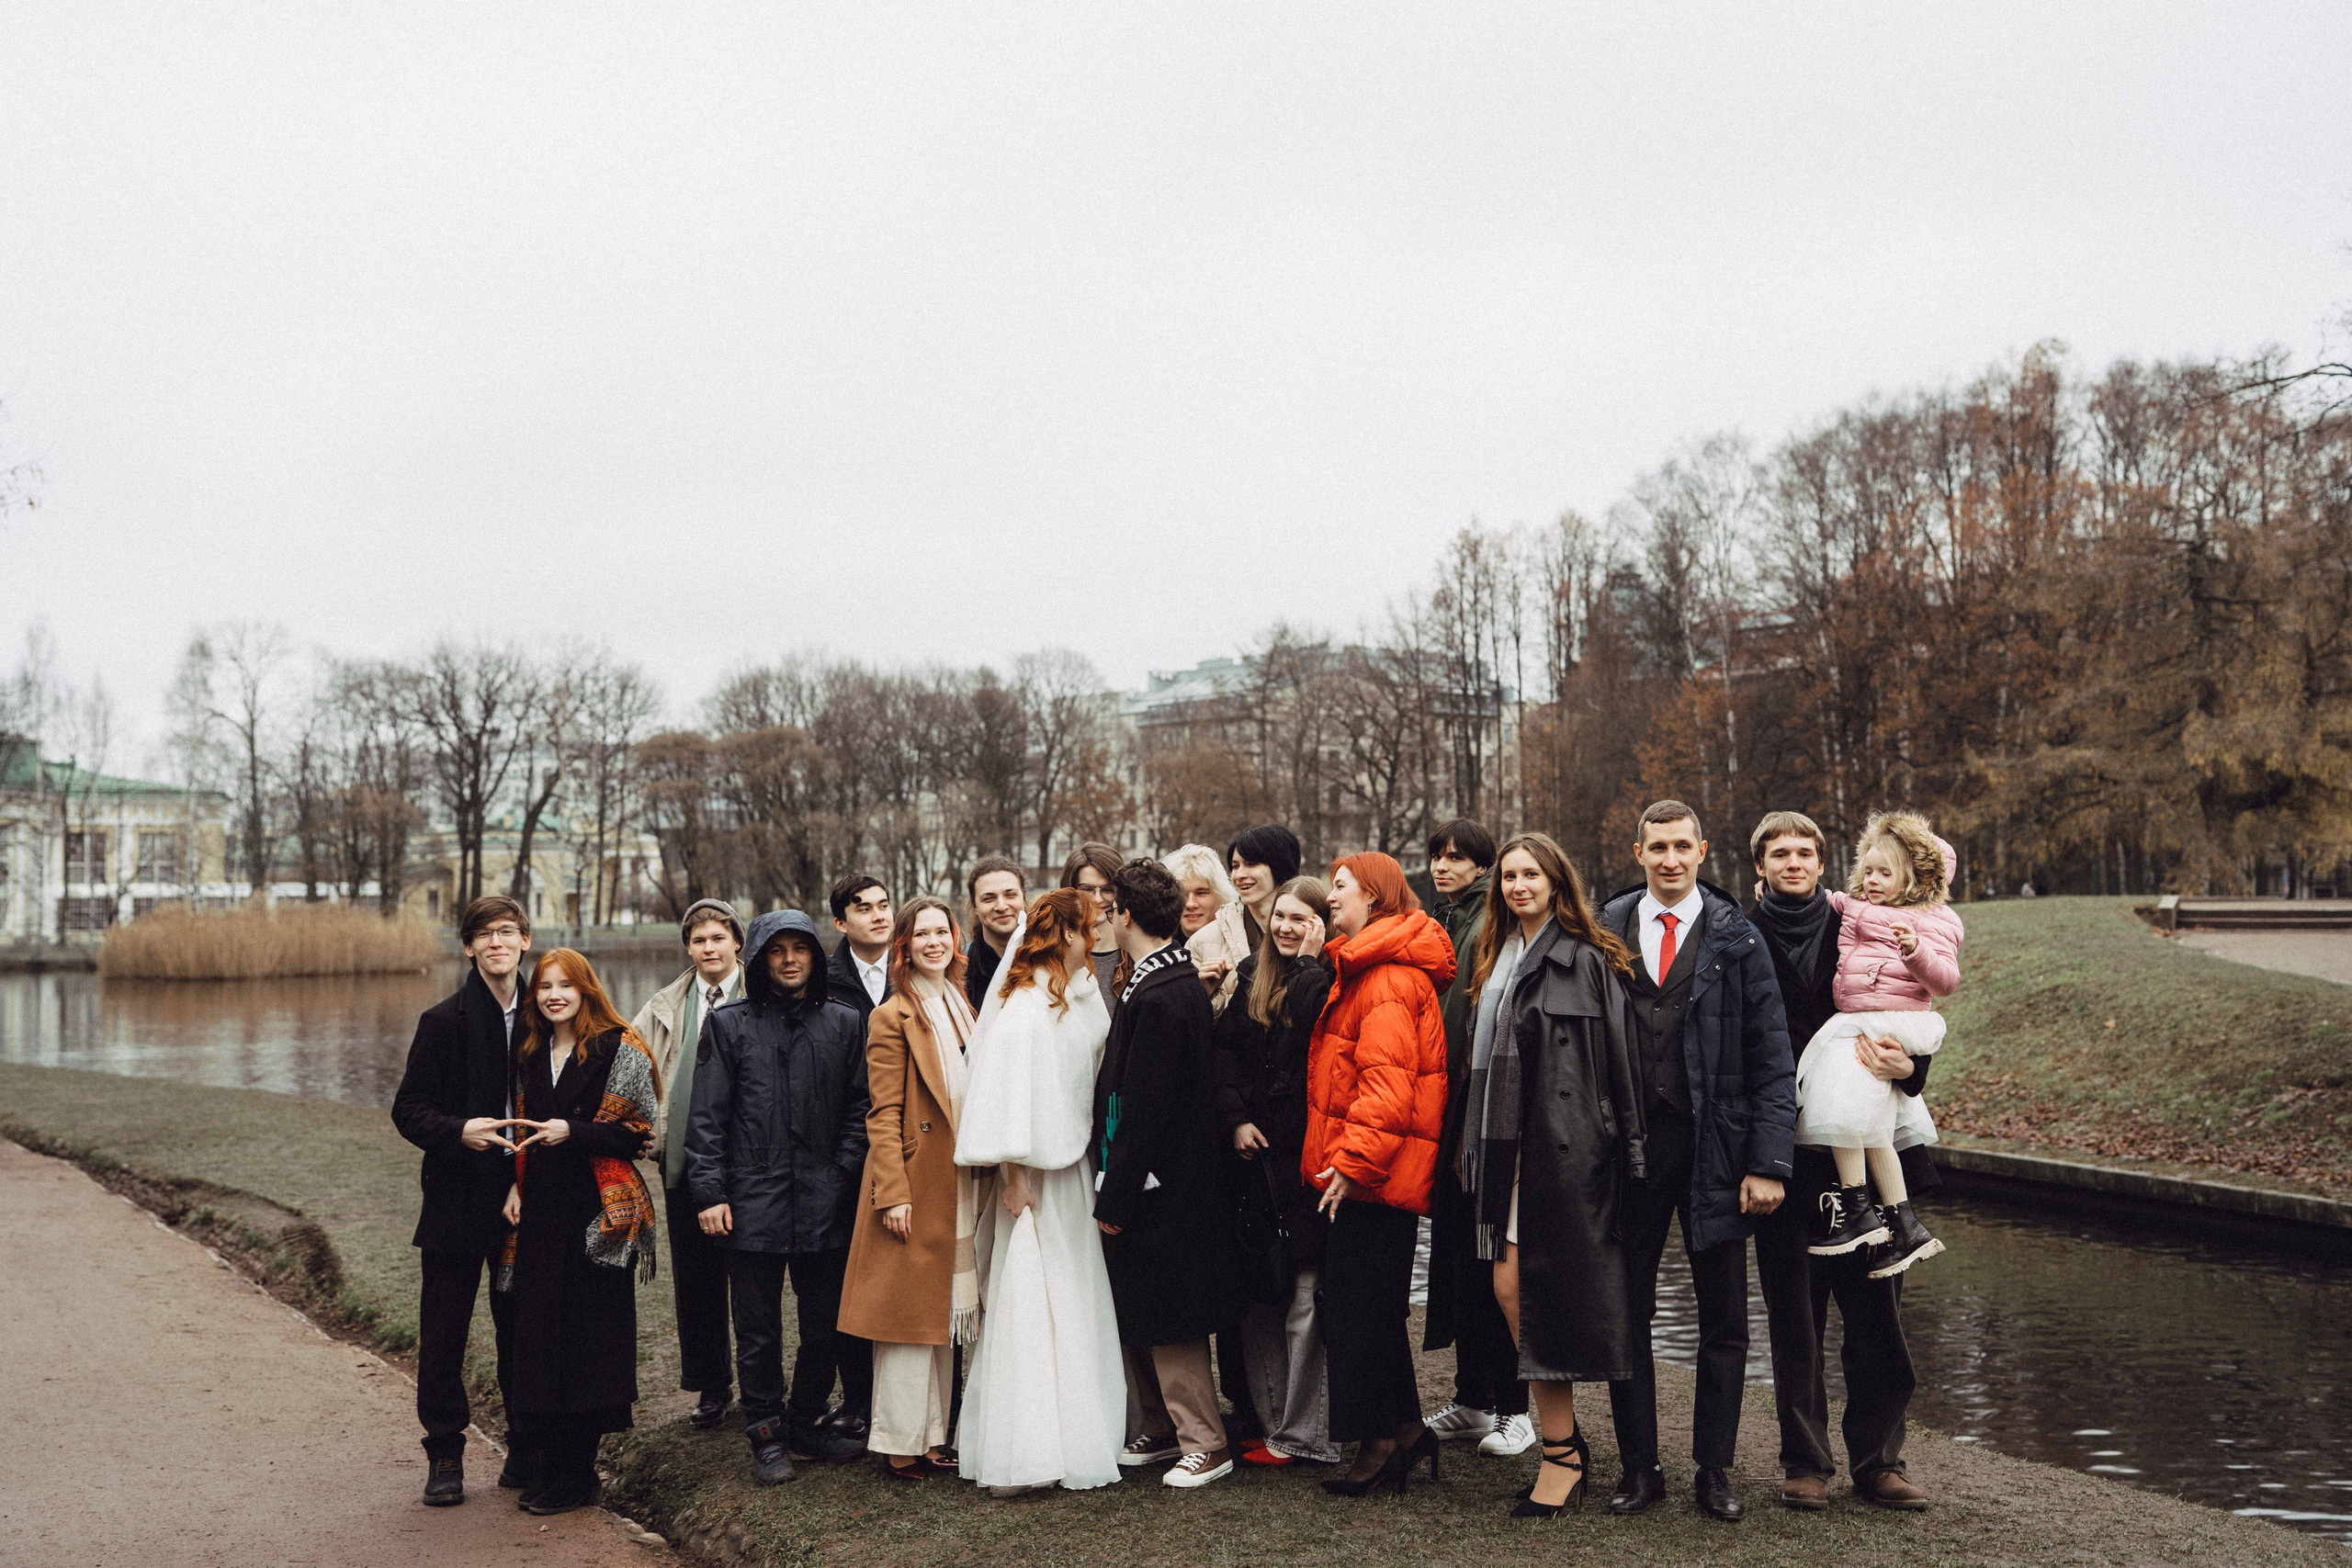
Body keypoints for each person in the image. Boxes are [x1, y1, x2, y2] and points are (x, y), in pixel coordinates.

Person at [1596, 801, 1797, 1524]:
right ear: (1639, 849)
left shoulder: (1738, 938)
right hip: (1631, 1154)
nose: (1671, 859)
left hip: (1716, 1149)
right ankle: (1639, 1468)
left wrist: (1768, 1161)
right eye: (1659, 847)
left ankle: (1713, 1470)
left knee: (1724, 1318)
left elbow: (1773, 1058)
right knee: (1627, 1311)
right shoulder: (1606, 930)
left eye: (1684, 846)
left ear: (1703, 850)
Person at [1747, 809, 1933, 1513]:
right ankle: (1805, 1460)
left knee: (1878, 1314)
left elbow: (1909, 1003)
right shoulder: (1738, 933)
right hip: (1785, 1155)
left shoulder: (1864, 920)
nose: (1793, 862)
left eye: (1805, 852)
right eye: (1779, 853)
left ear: (1823, 864)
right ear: (1759, 865)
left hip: (1870, 1141)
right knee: (1795, 1319)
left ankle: (1879, 1459)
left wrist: (1912, 1068)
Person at [1462, 834, 1645, 1517]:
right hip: (1508, 1153)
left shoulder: (1587, 958)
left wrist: (1624, 1149)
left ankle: (1563, 1453)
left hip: (1566, 1155)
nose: (1517, 885)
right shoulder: (1498, 953)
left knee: (1525, 1291)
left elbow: (1618, 1062)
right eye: (1507, 875)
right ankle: (1563, 1447)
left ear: (1555, 880)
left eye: (1530, 873)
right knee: (1512, 1289)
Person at [685, 909, 872, 1484]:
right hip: (751, 1200)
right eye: (777, 950)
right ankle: (765, 1430)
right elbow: (707, 1118)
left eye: (801, 949)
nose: (790, 960)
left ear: (816, 956)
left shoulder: (844, 1024)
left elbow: (860, 1111)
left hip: (823, 1199)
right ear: (761, 957)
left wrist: (839, 1175)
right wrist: (711, 1192)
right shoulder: (729, 1025)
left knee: (825, 1325)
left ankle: (802, 1419)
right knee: (759, 1327)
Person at [953, 888, 1128, 1495]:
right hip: (1033, 1181)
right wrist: (1015, 1178)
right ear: (1064, 935)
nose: (1098, 936)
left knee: (1075, 1294)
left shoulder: (1076, 996)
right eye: (1090, 927)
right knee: (1035, 1300)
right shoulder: (1022, 1008)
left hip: (1074, 1168)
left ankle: (1084, 1425)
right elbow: (1003, 1097)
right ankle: (1028, 1447)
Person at [1305, 852, 1453, 1499]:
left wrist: (1352, 1164)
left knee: (1356, 1312)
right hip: (1370, 1173)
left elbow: (1387, 1086)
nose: (1330, 896)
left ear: (1374, 896)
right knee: (1371, 1310)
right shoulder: (1369, 966)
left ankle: (1381, 1442)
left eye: (1339, 887)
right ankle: (1407, 1430)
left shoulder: (1389, 976)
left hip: (1373, 1176)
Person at [1094, 856, 1244, 1490]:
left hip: (1165, 1186)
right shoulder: (1166, 979)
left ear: (1126, 915)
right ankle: (1159, 1424)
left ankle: (1204, 1440)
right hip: (1167, 1183)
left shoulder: (1161, 993)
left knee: (1170, 1311)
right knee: (1142, 1305)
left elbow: (1144, 1110)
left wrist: (1116, 1193)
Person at [492, 948, 659, 1515]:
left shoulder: (620, 1047)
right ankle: (553, 1465)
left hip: (597, 1218)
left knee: (590, 1343)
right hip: (539, 1210)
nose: (554, 995)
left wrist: (576, 1131)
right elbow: (518, 1127)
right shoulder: (531, 1053)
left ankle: (579, 1474)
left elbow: (641, 1136)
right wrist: (515, 1183)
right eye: (544, 986)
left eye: (566, 985)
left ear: (587, 989)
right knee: (541, 1339)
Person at [391, 894, 532, 1506]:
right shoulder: (442, 1021)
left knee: (521, 1330)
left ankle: (525, 1447)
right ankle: (445, 1451)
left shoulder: (549, 1014)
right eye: (484, 934)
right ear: (469, 946)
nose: (497, 942)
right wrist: (459, 1131)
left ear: (525, 939)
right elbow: (409, 1109)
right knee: (444, 1332)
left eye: (507, 931)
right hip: (454, 1199)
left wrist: (527, 1181)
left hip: (523, 1203)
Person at [840, 898, 980, 1480]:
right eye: (920, 934)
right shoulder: (891, 1015)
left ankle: (934, 1436)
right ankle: (899, 1440)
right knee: (907, 1321)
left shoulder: (963, 1004)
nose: (932, 942)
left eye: (941, 932)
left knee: (941, 1314)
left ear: (954, 940)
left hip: (963, 1178)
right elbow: (883, 1110)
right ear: (904, 946)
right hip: (915, 1181)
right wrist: (892, 1192)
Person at [1792, 811, 1962, 1275]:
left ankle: (1858, 1210)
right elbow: (1831, 899)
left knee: (1838, 1110)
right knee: (1867, 1126)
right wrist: (1779, 891)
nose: (1871, 880)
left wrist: (1914, 951)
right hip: (1858, 1018)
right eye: (1867, 870)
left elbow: (1945, 981)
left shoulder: (1933, 920)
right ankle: (1904, 1224)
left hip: (1887, 1021)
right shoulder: (1857, 906)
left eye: (1884, 873)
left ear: (1913, 878)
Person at [1212, 874, 1340, 1468]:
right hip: (1256, 1164)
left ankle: (1308, 1431)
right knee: (1260, 1291)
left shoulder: (1330, 977)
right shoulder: (1249, 975)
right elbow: (1227, 1054)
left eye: (1301, 918)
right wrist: (1236, 1118)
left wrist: (1313, 963)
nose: (1287, 927)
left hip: (1309, 1161)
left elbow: (1321, 1039)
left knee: (1306, 1298)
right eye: (1281, 917)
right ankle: (1273, 1423)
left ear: (1320, 923)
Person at [1417, 818, 1532, 1458]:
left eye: (1457, 857)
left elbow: (1462, 1009)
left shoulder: (1488, 919)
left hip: (1483, 1108)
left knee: (1495, 1263)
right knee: (1462, 1259)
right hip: (1451, 1110)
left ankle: (1516, 1406)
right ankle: (1473, 1396)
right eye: (1437, 855)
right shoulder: (1448, 915)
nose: (1443, 865)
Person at [628, 897, 746, 1431]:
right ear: (688, 948)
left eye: (718, 938)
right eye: (699, 940)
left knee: (749, 1278)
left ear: (737, 943)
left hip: (747, 1161)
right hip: (681, 1159)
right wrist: (644, 1129)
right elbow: (629, 1065)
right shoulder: (665, 1004)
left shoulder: (758, 994)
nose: (709, 948)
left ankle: (760, 1383)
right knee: (696, 1280)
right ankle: (711, 1385)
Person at [1196, 824, 1302, 1014]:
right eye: (1235, 866)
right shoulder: (1201, 942)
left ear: (1280, 865)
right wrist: (1205, 993)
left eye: (1251, 864)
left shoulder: (1320, 929)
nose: (1239, 875)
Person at [1163, 842, 1240, 1001]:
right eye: (1182, 894)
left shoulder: (1238, 942)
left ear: (1220, 895)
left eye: (1201, 893)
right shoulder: (1159, 944)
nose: (1190, 904)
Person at [1061, 842, 1126, 1004]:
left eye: (1108, 889)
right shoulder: (1055, 951)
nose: (1097, 899)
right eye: (1087, 889)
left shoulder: (1135, 950)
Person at [829, 874, 896, 1028]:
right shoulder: (824, 981)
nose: (879, 917)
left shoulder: (915, 969)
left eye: (883, 906)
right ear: (841, 924)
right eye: (865, 910)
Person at [964, 855, 1027, 1010]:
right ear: (975, 907)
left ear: (1024, 898)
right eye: (988, 898)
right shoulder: (960, 968)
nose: (1001, 906)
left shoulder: (1049, 958)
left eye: (1010, 895)